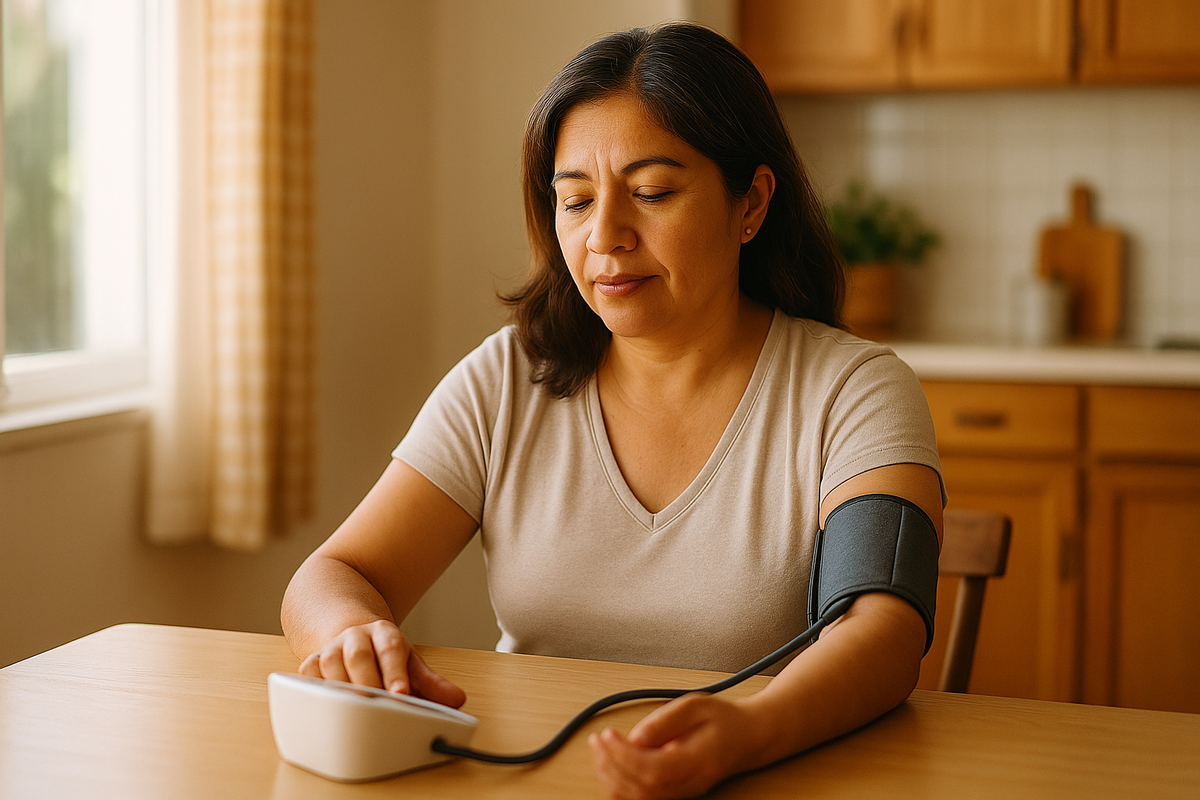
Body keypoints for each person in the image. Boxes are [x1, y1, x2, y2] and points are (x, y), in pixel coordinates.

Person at [281, 21, 944, 800]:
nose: (605, 237)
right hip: (533, 777)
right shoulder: (505, 381)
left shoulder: (855, 391)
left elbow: (884, 628)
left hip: (766, 773)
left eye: (653, 193)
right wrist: (351, 636)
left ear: (751, 204)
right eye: (575, 201)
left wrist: (752, 731)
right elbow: (334, 573)